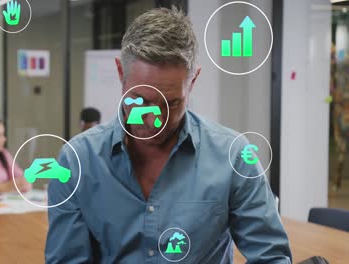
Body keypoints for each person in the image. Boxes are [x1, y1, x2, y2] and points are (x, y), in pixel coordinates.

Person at [46, 8, 292, 263]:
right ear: (121, 73)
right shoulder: (77, 162)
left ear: (193, 80)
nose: (156, 122)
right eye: (140, 101)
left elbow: (271, 257)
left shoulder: (233, 157)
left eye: (171, 103)